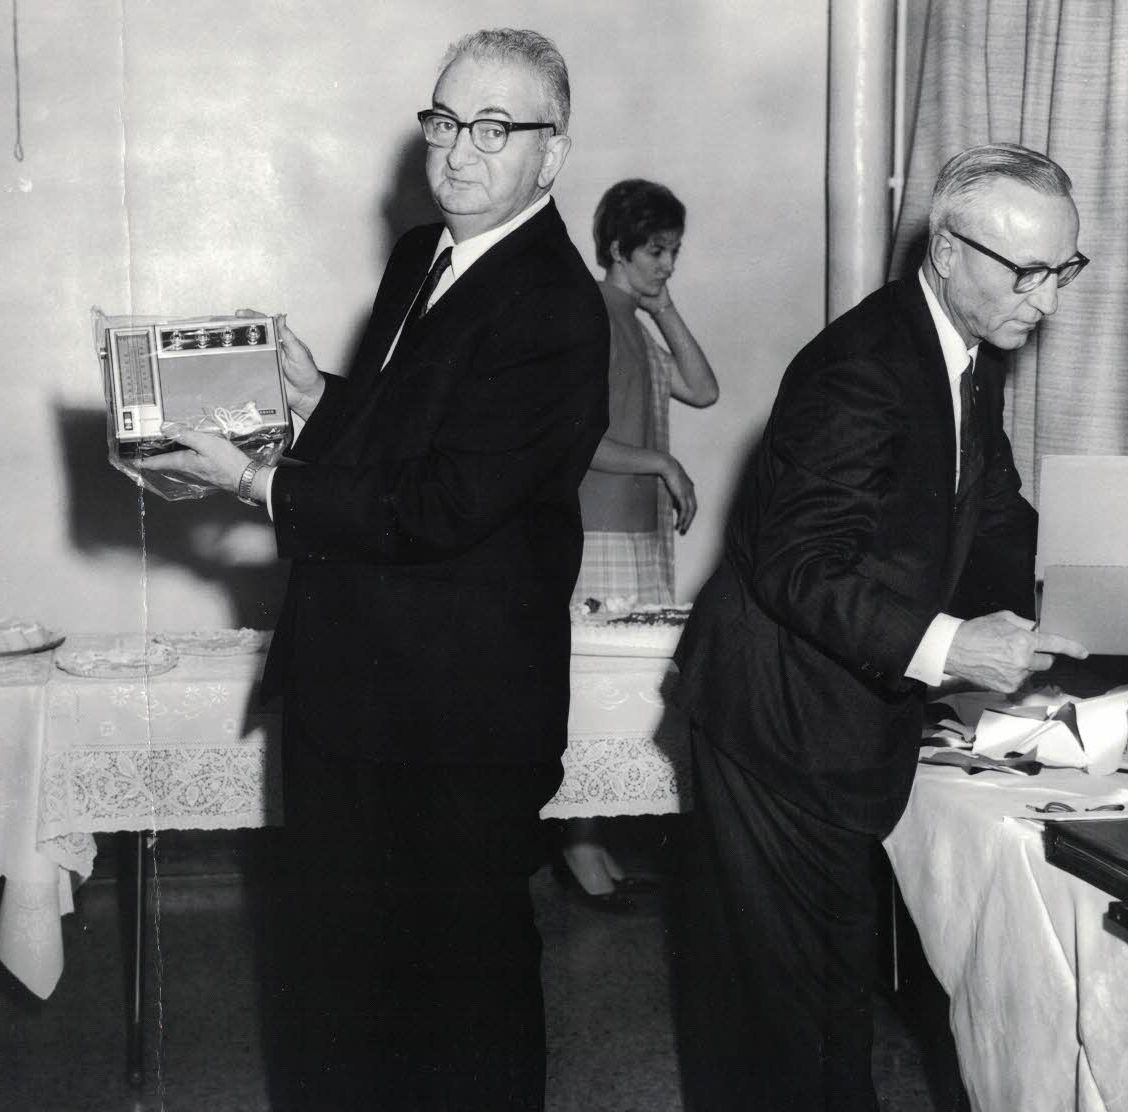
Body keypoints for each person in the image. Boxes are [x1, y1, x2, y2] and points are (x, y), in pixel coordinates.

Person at [145, 28, 608, 1110]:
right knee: (345, 986)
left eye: (495, 128)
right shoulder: (425, 254)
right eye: (444, 120)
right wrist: (324, 401)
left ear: (554, 155)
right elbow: (428, 441)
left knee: (460, 1007)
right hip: (359, 697)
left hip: (457, 724)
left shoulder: (553, 305)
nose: (458, 150)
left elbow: (445, 503)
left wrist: (257, 485)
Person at [671, 143, 1091, 1110]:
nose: (1049, 301)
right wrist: (952, 647)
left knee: (820, 999)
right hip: (774, 717)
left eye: (1062, 269)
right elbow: (797, 566)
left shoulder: (962, 351)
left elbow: (991, 521)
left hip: (836, 716)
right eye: (1026, 272)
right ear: (945, 250)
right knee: (793, 1020)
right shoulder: (860, 366)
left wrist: (1096, 599)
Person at [558, 179, 718, 905]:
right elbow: (572, 437)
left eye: (674, 252)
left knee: (620, 690)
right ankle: (579, 845)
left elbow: (702, 388)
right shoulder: (589, 313)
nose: (668, 264)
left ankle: (591, 838)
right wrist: (663, 462)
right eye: (657, 250)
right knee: (594, 694)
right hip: (598, 528)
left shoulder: (636, 317)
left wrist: (664, 306)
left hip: (639, 530)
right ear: (618, 246)